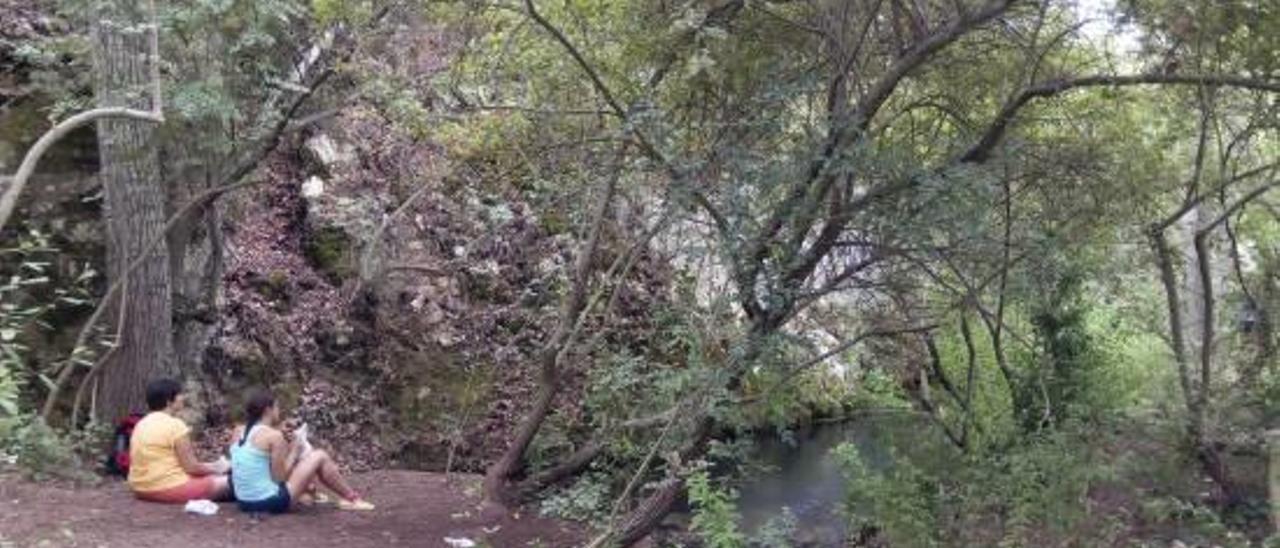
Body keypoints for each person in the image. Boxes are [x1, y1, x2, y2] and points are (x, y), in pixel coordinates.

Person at [229, 388, 375, 513]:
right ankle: (352, 498)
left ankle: (312, 493)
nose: (279, 410)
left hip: (244, 502)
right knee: (320, 456)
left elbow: (253, 459)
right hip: (269, 502)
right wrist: (295, 450)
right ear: (268, 410)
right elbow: (280, 479)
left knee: (297, 458)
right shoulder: (274, 437)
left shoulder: (238, 431)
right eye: (277, 407)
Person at [128, 378, 231, 503]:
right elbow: (191, 468)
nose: (183, 398)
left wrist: (212, 466)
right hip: (166, 488)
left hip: (140, 488)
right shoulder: (175, 425)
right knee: (230, 481)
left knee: (214, 474)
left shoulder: (141, 423)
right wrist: (218, 468)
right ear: (169, 401)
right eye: (179, 395)